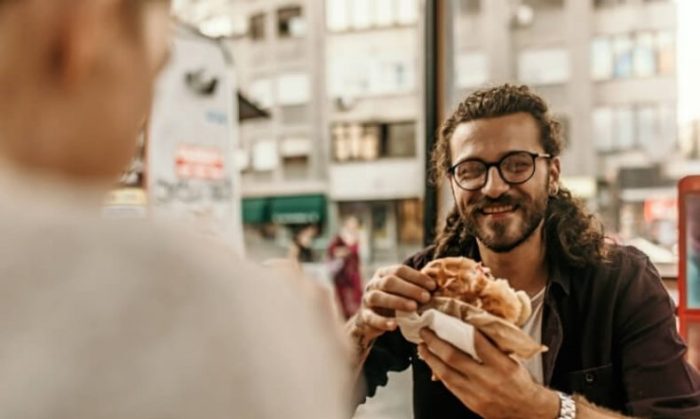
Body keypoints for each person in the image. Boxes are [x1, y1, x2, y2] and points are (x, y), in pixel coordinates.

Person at [0, 1, 349, 418]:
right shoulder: (190, 307)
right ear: (87, 28)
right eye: (154, 68)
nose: (143, 117)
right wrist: (303, 349)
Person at [347, 84, 700, 418]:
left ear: (552, 173)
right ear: (454, 182)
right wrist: (360, 330)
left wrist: (540, 408)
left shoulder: (620, 283)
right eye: (471, 170)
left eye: (517, 164)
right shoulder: (427, 285)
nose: (494, 186)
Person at [329, 215, 363, 319]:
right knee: (344, 297)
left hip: (353, 273)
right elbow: (333, 252)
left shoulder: (356, 237)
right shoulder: (339, 238)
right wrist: (347, 250)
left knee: (356, 297)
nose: (354, 226)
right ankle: (346, 319)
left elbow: (357, 257)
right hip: (342, 274)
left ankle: (354, 318)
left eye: (356, 224)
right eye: (352, 223)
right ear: (347, 224)